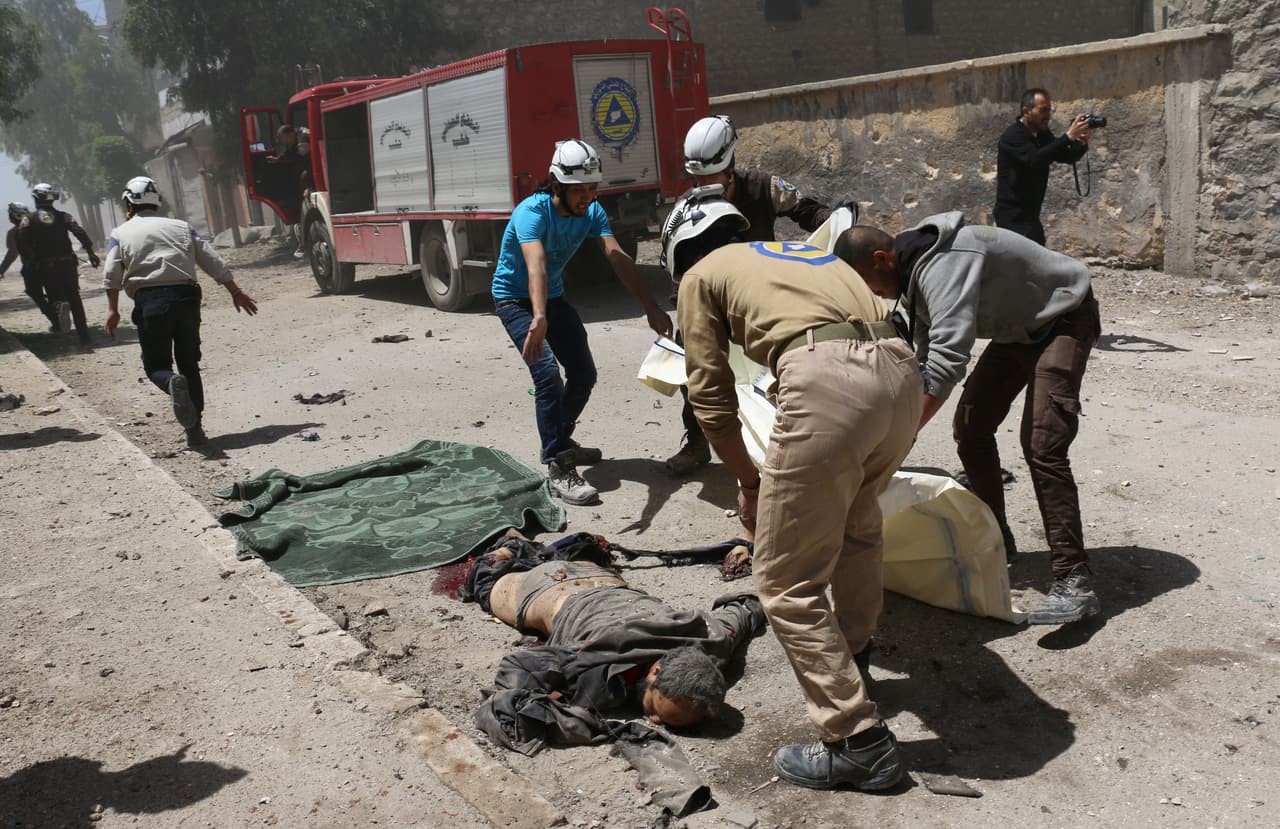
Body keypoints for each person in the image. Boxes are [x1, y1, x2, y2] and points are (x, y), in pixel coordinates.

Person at [668, 189, 922, 792]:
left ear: (680, 252)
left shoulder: (700, 275)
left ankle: (857, 741)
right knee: (859, 524)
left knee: (783, 580)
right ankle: (853, 663)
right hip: (899, 373)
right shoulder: (795, 252)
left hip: (828, 380)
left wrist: (749, 482)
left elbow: (708, 393)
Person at [833, 213, 1101, 626]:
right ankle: (996, 540)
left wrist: (902, 436)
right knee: (972, 428)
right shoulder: (915, 273)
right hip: (1019, 332)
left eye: (871, 285)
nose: (877, 295)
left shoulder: (944, 263)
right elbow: (922, 356)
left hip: (1063, 316)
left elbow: (947, 360)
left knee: (1043, 443)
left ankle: (1074, 579)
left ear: (883, 259)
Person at [491, 138, 672, 505]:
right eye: (579, 190)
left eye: (592, 188)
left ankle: (561, 438)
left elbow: (617, 256)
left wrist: (650, 305)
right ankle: (558, 464)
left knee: (584, 373)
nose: (587, 196)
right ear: (557, 185)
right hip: (515, 300)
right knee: (546, 376)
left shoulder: (592, 212)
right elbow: (536, 265)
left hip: (551, 298)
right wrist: (538, 316)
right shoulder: (532, 212)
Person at [665, 114, 839, 474]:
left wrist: (834, 224)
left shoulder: (763, 187)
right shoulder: (686, 208)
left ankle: (781, 448)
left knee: (774, 376)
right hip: (711, 301)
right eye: (697, 177)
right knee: (699, 378)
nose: (703, 183)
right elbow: (681, 268)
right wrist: (685, 309)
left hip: (763, 301)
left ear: (729, 163)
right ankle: (697, 443)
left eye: (710, 176)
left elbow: (807, 211)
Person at [465, 536, 764, 732]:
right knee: (483, 578)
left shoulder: (713, 638)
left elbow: (747, 607)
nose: (653, 721)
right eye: (653, 708)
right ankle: (510, 546)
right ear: (656, 671)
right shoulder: (591, 666)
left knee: (578, 549)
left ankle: (536, 549)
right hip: (544, 589)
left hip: (601, 575)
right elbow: (515, 670)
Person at [102, 176, 259, 447]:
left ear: (128, 202)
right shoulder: (182, 227)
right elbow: (212, 260)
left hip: (150, 302)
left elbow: (111, 274)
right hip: (187, 298)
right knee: (189, 364)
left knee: (156, 367)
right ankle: (195, 431)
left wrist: (112, 310)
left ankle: (170, 382)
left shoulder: (120, 233)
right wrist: (235, 291)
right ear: (157, 202)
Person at [994, 88, 1093, 245]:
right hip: (1012, 218)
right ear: (1027, 111)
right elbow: (1034, 159)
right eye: (1043, 110)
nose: (1048, 115)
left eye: (1049, 110)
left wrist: (1081, 142)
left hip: (1031, 216)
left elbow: (1063, 155)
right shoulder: (1013, 136)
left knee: (1038, 264)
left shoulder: (1042, 135)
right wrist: (1068, 137)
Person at [15, 184, 100, 346]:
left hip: (47, 266)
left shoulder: (28, 219)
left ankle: (59, 306)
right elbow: (79, 231)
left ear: (35, 198)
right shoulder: (64, 216)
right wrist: (90, 252)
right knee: (75, 297)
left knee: (54, 295)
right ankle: (85, 336)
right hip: (68, 263)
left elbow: (22, 239)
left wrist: (31, 258)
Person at [1, 201, 59, 331]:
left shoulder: (13, 232)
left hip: (32, 267)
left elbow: (12, 253)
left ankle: (54, 319)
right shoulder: (40, 226)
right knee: (53, 290)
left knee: (34, 292)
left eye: (10, 214)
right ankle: (59, 308)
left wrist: (2, 270)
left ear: (14, 215)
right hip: (53, 264)